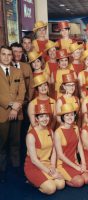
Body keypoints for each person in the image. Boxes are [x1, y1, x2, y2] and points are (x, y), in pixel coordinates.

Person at [24, 104, 65, 195]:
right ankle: (32, 182)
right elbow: (34, 160)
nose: (44, 119)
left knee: (61, 185)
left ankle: (44, 180)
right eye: (41, 116)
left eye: (46, 116)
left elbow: (54, 151)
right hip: (34, 166)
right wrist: (51, 173)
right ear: (37, 119)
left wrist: (53, 166)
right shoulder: (31, 135)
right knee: (51, 189)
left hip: (47, 164)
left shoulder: (50, 131)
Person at [0, 46, 25, 182]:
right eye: (3, 54)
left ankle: (16, 170)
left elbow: (22, 91)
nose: (6, 57)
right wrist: (10, 105)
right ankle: (2, 172)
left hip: (17, 113)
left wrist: (16, 108)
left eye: (9, 54)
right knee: (2, 145)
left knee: (16, 143)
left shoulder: (17, 71)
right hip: (2, 114)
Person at [54, 103, 88, 187]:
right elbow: (60, 155)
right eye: (67, 115)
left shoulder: (76, 128)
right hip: (63, 164)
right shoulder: (58, 132)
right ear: (63, 117)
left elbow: (80, 147)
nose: (70, 117)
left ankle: (72, 177)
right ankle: (64, 178)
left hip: (74, 161)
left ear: (74, 115)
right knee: (80, 182)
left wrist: (83, 163)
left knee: (87, 179)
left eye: (71, 114)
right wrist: (76, 167)